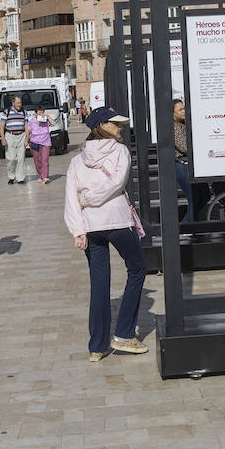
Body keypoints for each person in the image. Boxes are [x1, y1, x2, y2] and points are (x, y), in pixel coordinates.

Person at [64, 106, 148, 363]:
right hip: (117, 221)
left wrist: (78, 228)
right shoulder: (120, 151)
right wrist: (90, 198)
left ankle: (96, 346)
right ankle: (123, 334)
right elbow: (116, 184)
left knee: (99, 284)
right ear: (101, 126)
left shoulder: (77, 160)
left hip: (91, 226)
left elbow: (71, 198)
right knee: (137, 269)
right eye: (115, 124)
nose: (120, 128)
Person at [173, 99, 197, 222]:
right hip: (182, 165)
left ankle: (188, 225)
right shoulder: (174, 127)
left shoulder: (184, 123)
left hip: (187, 164)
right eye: (180, 109)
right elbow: (184, 147)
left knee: (201, 196)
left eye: (184, 108)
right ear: (172, 113)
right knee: (193, 198)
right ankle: (186, 227)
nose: (184, 111)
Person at [0, 94, 28, 184]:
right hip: (10, 136)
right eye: (18, 103)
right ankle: (11, 176)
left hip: (21, 135)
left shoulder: (24, 112)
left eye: (21, 103)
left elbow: (26, 126)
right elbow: (2, 126)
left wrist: (27, 138)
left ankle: (20, 178)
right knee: (11, 159)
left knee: (21, 158)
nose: (20, 104)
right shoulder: (6, 112)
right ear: (13, 103)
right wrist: (3, 138)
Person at [28, 105, 54, 184]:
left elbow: (54, 123)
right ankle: (40, 176)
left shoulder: (46, 120)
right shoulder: (32, 121)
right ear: (35, 114)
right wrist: (27, 140)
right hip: (35, 142)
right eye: (39, 113)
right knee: (37, 160)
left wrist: (47, 117)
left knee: (44, 160)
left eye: (42, 113)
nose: (41, 114)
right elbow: (29, 131)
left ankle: (45, 177)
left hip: (45, 142)